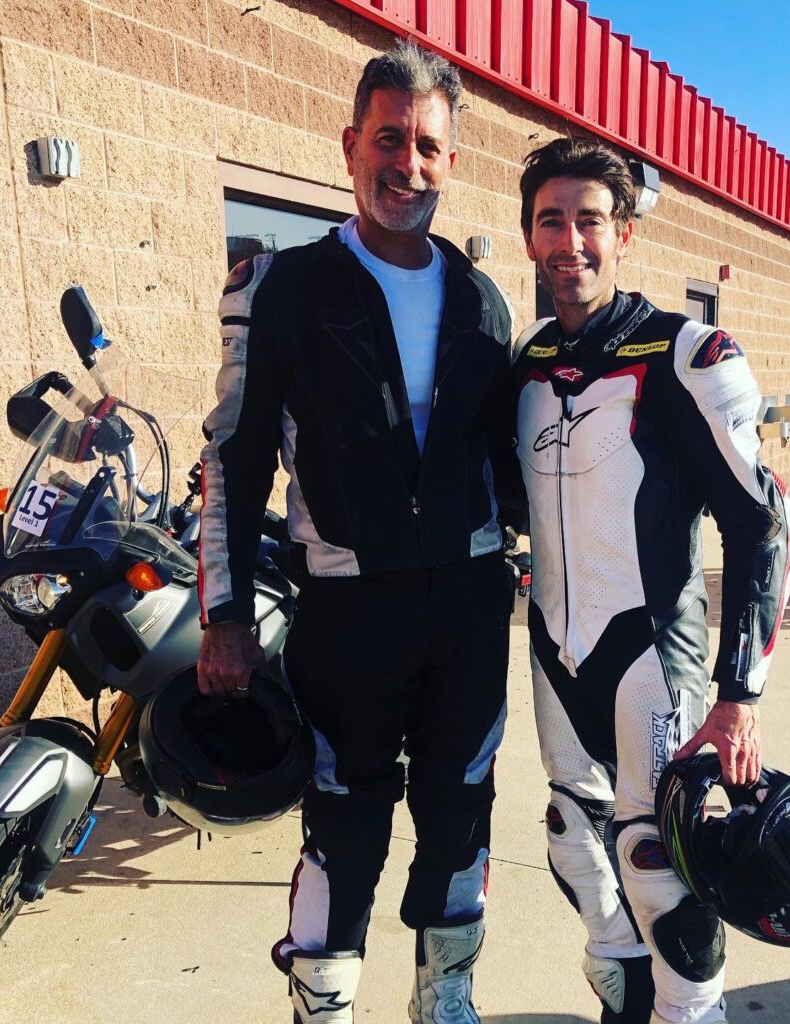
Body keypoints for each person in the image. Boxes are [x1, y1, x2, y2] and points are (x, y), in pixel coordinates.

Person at [195, 41, 521, 1024]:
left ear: (450, 161)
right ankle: (324, 1003)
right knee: (344, 819)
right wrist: (224, 616)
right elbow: (234, 454)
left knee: (462, 810)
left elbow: (508, 460)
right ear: (350, 146)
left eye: (426, 147)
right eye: (388, 140)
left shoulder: (484, 298)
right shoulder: (279, 287)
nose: (406, 166)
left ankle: (445, 996)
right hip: (345, 611)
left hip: (468, 608)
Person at [511, 138, 790, 1024]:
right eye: (551, 221)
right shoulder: (525, 362)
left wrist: (739, 695)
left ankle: (692, 1013)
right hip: (555, 652)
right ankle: (626, 993)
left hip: (651, 658)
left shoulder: (687, 355)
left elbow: (767, 523)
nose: (571, 242)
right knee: (573, 837)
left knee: (657, 856)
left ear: (624, 234)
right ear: (528, 236)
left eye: (590, 221)